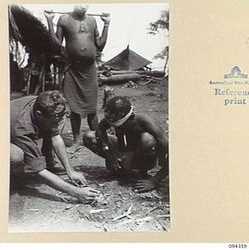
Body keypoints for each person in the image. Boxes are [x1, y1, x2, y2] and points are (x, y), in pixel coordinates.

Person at [10, 90, 100, 203]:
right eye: (53, 123)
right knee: (16, 155)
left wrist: (70, 170)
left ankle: (48, 164)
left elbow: (56, 137)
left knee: (50, 125)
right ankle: (12, 180)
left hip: (18, 123)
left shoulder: (43, 103)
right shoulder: (22, 129)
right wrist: (76, 192)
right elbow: (39, 171)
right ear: (39, 114)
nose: (55, 126)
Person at [45, 5, 111, 153]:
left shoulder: (93, 21)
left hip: (89, 71)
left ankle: (100, 139)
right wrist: (50, 21)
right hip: (73, 69)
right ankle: (76, 142)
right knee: (74, 109)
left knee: (92, 109)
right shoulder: (64, 19)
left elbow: (99, 45)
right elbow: (56, 46)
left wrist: (107, 23)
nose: (82, 5)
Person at [83, 96, 169, 193]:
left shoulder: (143, 121)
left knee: (147, 140)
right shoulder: (112, 118)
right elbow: (100, 129)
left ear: (126, 116)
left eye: (114, 117)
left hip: (141, 155)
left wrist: (155, 180)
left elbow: (173, 153)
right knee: (89, 136)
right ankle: (121, 169)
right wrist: (108, 153)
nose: (110, 119)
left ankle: (142, 172)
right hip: (123, 150)